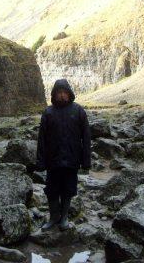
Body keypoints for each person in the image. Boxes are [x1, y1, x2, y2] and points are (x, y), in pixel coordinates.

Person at [36, 79, 91, 231]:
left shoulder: (79, 111)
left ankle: (64, 218)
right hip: (52, 161)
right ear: (54, 94)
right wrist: (40, 162)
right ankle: (54, 217)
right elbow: (42, 139)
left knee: (68, 189)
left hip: (72, 160)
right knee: (52, 190)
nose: (61, 95)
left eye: (64, 92)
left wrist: (86, 161)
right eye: (58, 92)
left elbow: (86, 138)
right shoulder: (48, 112)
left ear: (69, 93)